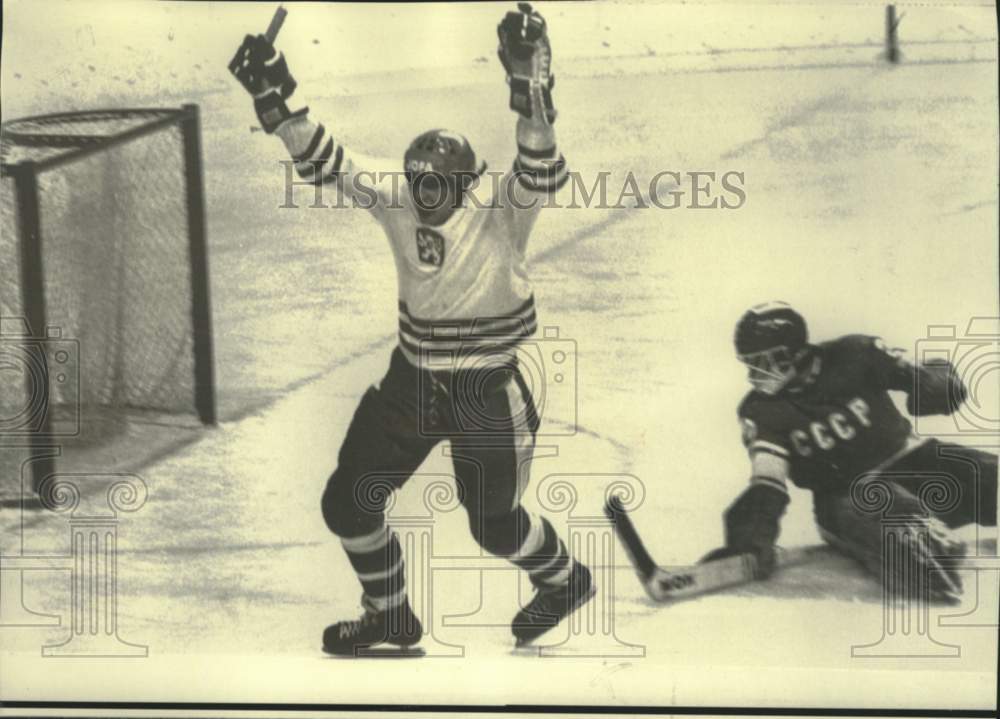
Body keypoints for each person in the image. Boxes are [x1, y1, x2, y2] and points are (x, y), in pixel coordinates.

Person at [229, 3, 594, 654]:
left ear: (467, 181)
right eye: (419, 183)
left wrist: (531, 83)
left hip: (487, 393)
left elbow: (538, 155)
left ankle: (564, 579)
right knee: (348, 501)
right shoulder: (397, 193)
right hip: (413, 385)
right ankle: (390, 614)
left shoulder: (503, 205)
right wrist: (277, 100)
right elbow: (328, 161)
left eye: (438, 186)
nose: (425, 196)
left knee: (494, 526)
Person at [704, 301, 997, 601]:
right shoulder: (760, 410)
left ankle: (930, 538)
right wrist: (749, 541)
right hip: (846, 496)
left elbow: (918, 373)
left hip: (914, 464)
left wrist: (936, 384)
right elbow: (768, 481)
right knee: (906, 537)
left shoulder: (854, 353)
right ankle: (925, 549)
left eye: (762, 362)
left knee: (989, 475)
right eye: (749, 364)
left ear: (793, 353)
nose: (754, 375)